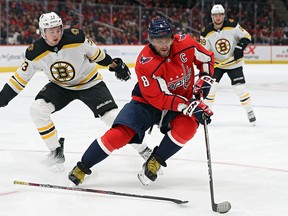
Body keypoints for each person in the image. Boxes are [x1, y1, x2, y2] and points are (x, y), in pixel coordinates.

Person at [68, 17, 214, 186]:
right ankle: (82, 167)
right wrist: (189, 106)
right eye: (158, 40)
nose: (163, 44)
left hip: (180, 101)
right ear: (150, 40)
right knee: (120, 134)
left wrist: (203, 84)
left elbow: (207, 59)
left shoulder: (186, 43)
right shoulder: (145, 63)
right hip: (147, 103)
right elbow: (159, 97)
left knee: (188, 126)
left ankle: (155, 161)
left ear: (172, 37)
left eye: (166, 38)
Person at [0, 12, 150, 172]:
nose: (56, 34)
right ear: (43, 32)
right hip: (60, 87)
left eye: (58, 30)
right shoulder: (35, 52)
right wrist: (2, 99)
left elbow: (97, 55)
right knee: (38, 110)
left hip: (90, 83)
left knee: (113, 118)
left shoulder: (76, 39)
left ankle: (145, 151)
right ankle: (56, 152)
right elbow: (19, 79)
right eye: (51, 31)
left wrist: (114, 65)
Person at [200, 4, 256, 125]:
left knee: (240, 89)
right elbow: (205, 52)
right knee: (210, 89)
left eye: (220, 14)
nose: (218, 17)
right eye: (215, 15)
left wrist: (239, 47)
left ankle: (249, 111)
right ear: (212, 16)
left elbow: (247, 36)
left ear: (224, 15)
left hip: (234, 63)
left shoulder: (233, 25)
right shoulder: (205, 32)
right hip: (217, 65)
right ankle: (204, 114)